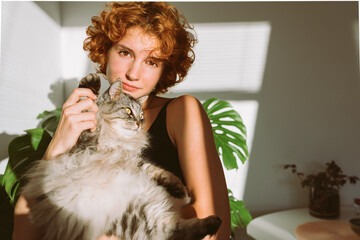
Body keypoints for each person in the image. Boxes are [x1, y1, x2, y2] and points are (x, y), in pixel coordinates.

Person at [13, 2, 231, 239]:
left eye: (152, 62)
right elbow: (24, 231)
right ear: (105, 51)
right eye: (125, 53)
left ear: (164, 70)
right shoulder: (84, 121)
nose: (133, 74)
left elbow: (214, 225)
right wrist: (58, 145)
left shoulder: (182, 112)